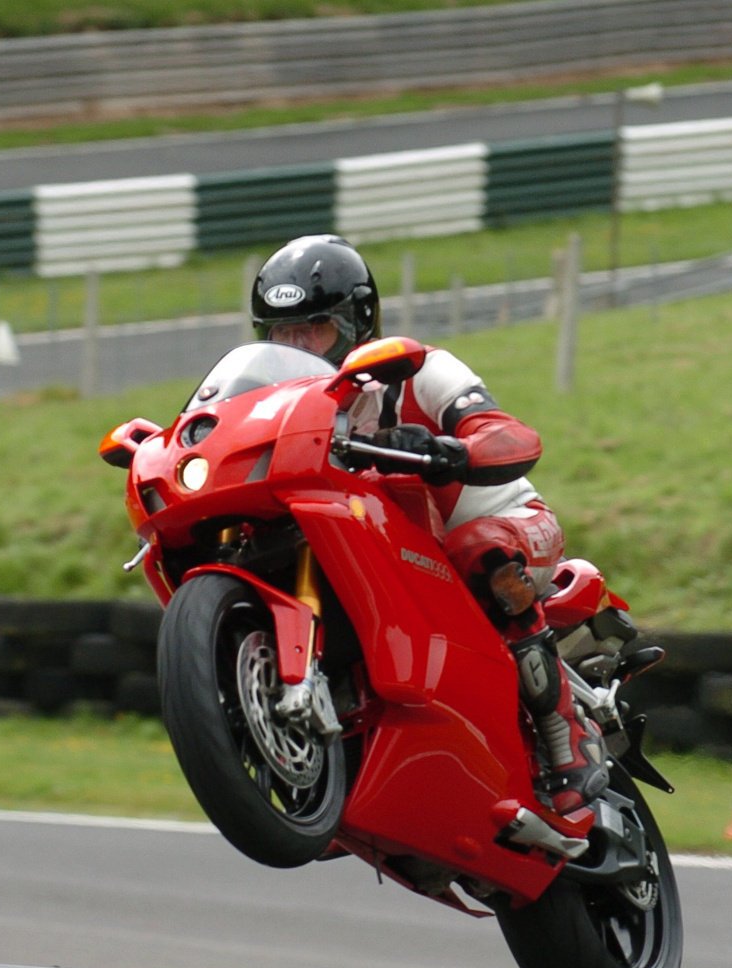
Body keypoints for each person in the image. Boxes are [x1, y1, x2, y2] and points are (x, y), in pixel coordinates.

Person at [249, 235, 609, 814]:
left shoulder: (418, 370)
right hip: (393, 553)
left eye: (312, 329)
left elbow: (506, 433)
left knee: (480, 548)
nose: (297, 346)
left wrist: (452, 450)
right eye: (280, 333)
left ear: (354, 325)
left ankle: (566, 738)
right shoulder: (274, 408)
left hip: (504, 523)